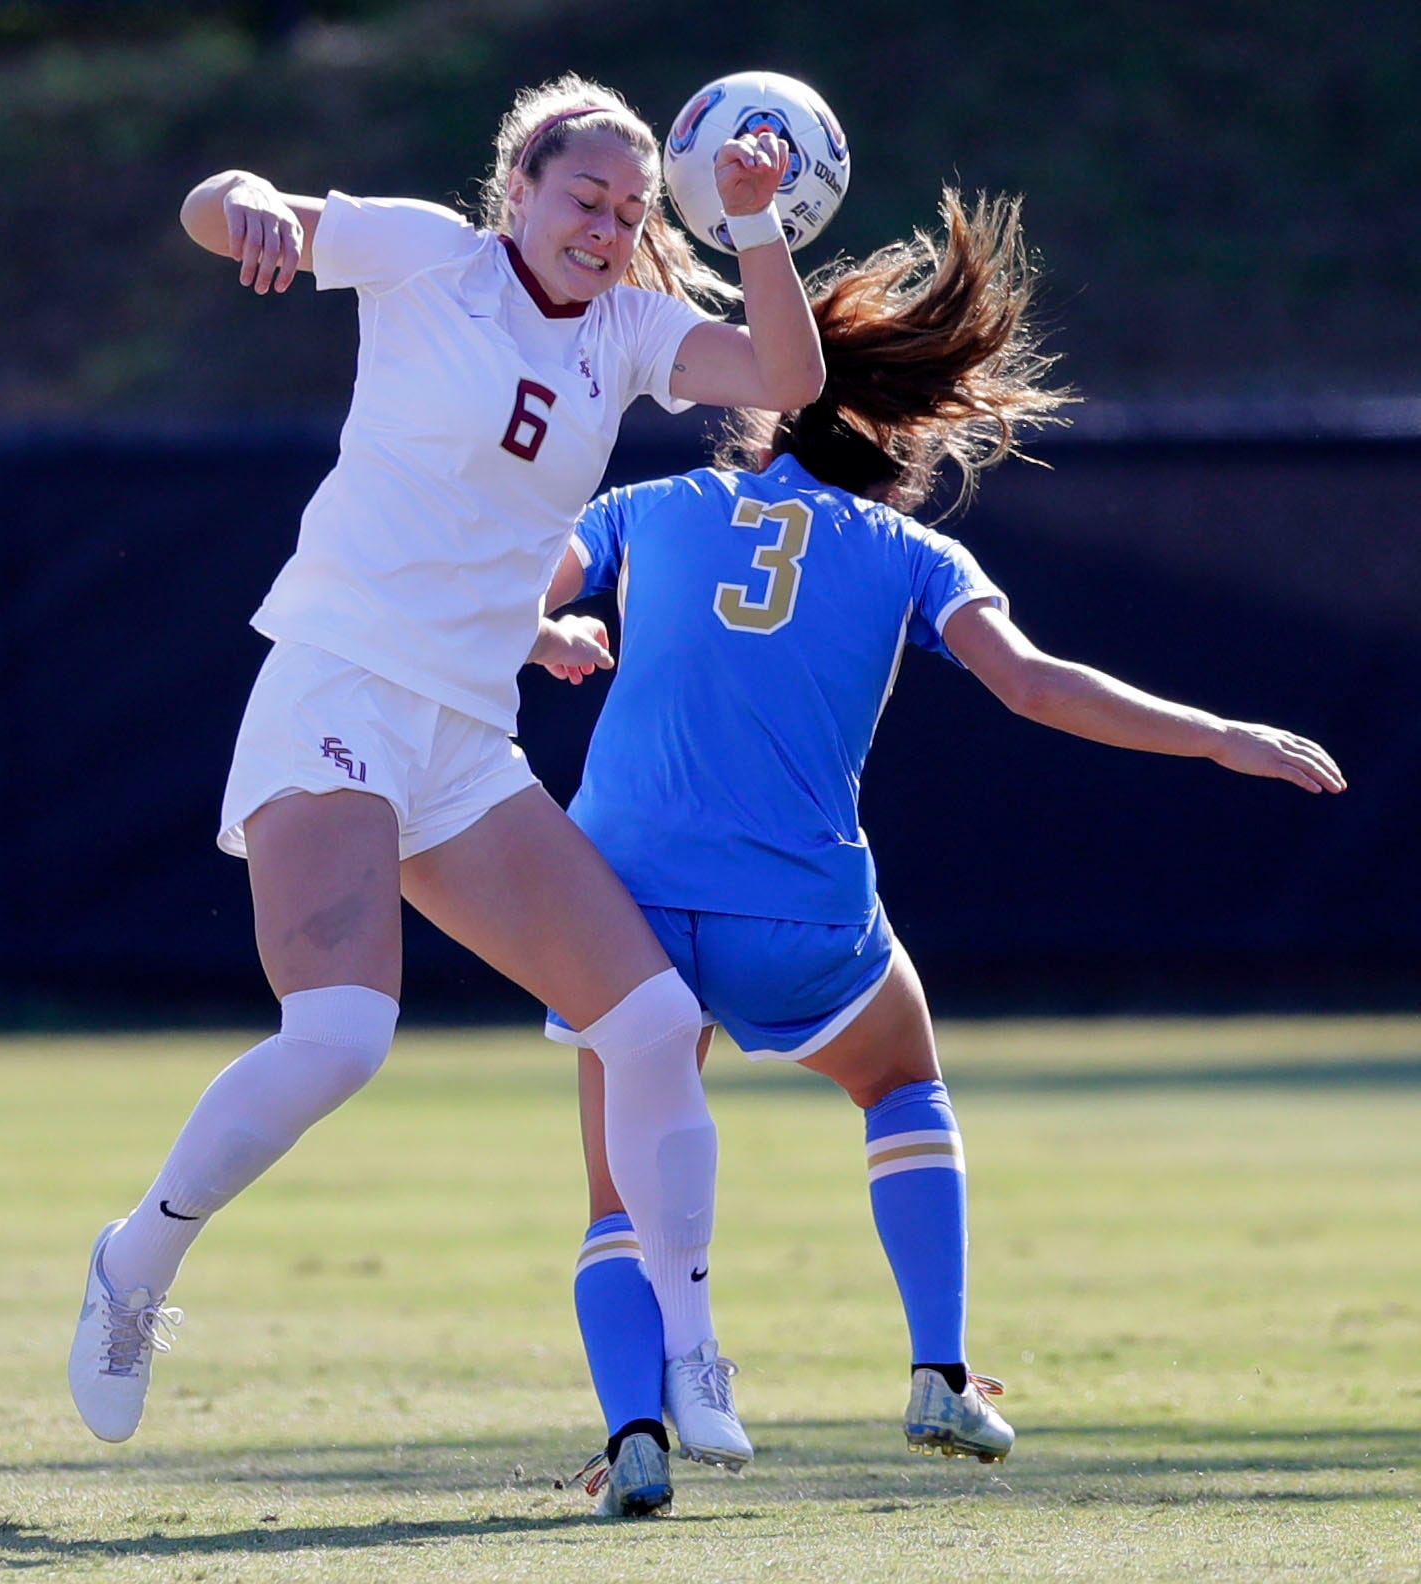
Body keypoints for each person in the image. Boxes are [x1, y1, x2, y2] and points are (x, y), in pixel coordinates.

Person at [538, 189, 1347, 1517]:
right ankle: (938, 1370)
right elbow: (1034, 686)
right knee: (902, 1085)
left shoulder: (652, 507)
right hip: (794, 918)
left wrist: (533, 632)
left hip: (609, 897)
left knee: (617, 1188)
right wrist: (1215, 736)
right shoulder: (909, 549)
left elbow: (517, 582)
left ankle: (634, 1436)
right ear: (898, 433)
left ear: (767, 398)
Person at [66, 72, 829, 1452]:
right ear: (518, 192)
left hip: (468, 735)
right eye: (582, 198)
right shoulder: (427, 255)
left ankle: (690, 1345)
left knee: (654, 1025)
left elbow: (785, 379)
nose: (604, 227)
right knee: (344, 1036)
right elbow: (213, 206)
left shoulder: (634, 326)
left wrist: (756, 227)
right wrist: (238, 203)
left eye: (631, 210)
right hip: (340, 687)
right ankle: (137, 1262)